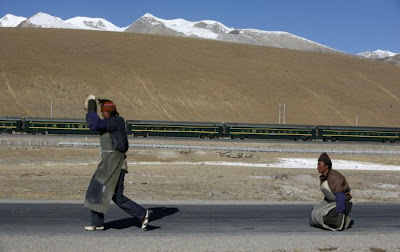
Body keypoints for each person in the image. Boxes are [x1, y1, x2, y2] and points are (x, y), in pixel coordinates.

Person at [83, 95, 149, 231]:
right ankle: (98, 223)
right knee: (104, 193)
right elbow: (95, 124)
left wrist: (91, 108)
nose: (102, 114)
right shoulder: (111, 123)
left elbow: (94, 124)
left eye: (103, 112)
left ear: (109, 112)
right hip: (109, 164)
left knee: (107, 193)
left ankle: (142, 214)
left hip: (115, 164)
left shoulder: (116, 122)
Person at [309, 152, 352, 231]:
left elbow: (340, 195)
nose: (317, 167)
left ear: (326, 166)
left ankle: (345, 220)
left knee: (326, 218)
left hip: (341, 203)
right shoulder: (324, 177)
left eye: (319, 164)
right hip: (331, 202)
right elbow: (329, 193)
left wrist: (340, 214)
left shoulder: (335, 177)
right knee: (314, 213)